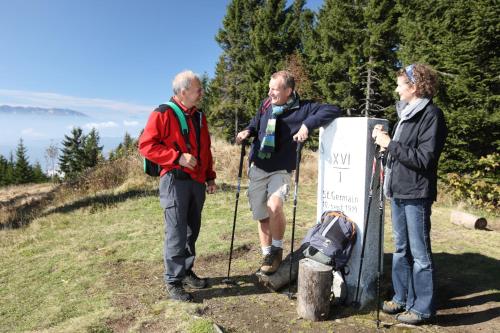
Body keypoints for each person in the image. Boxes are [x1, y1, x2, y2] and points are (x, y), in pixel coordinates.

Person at [236, 70, 341, 275]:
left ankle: (277, 249)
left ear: (288, 90)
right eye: (269, 88)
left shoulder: (304, 108)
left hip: (281, 168)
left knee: (274, 206)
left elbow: (333, 109)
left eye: (274, 89)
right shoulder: (266, 104)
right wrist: (247, 131)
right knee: (261, 214)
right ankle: (268, 254)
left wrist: (307, 124)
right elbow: (256, 123)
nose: (270, 92)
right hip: (258, 165)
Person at [372, 63, 447, 324]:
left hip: (417, 193)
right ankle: (402, 297)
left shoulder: (432, 115)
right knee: (401, 249)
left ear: (414, 87)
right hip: (399, 190)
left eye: (400, 85)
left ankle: (423, 308)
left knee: (420, 253)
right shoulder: (405, 114)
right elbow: (401, 152)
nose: (396, 89)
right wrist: (387, 146)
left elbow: (424, 159)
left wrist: (390, 144)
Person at [139, 70, 217, 302]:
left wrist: (210, 176)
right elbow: (146, 146)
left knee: (192, 229)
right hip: (174, 181)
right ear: (183, 92)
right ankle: (173, 282)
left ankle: (185, 271)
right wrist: (176, 157)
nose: (202, 92)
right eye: (198, 89)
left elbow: (205, 149)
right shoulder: (162, 113)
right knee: (176, 232)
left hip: (196, 182)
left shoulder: (199, 116)